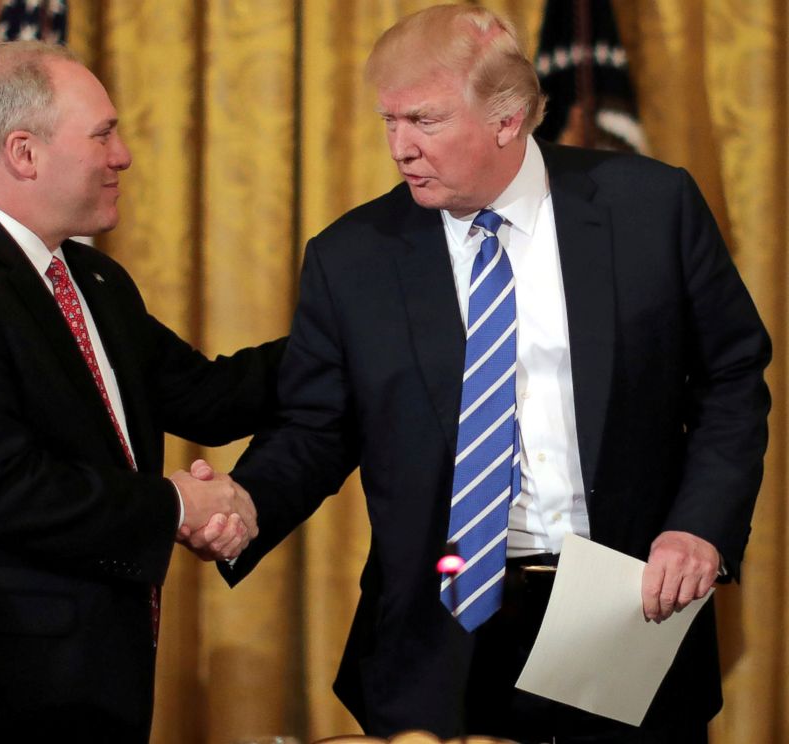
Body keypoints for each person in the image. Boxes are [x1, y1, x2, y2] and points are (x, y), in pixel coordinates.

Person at [216, 5, 771, 743]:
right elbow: (316, 428)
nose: (400, 147)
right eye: (389, 122)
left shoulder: (651, 207)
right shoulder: (352, 256)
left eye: (424, 121)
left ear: (507, 119)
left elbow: (732, 378)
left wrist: (699, 528)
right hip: (440, 633)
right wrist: (244, 505)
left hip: (620, 612)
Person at [0, 41, 283, 743]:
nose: (123, 155)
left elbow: (211, 397)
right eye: (103, 135)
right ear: (24, 153)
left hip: (84, 696)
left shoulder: (93, 283)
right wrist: (179, 503)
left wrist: (350, 330)